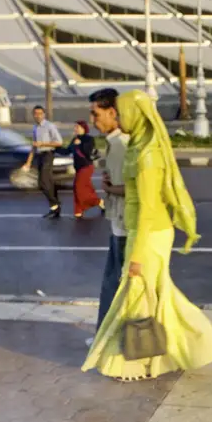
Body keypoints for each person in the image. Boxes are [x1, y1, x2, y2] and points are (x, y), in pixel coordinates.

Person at [82, 89, 212, 381]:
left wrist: (135, 256)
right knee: (155, 297)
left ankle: (147, 357)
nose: (119, 118)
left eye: (122, 113)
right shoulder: (139, 147)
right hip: (143, 230)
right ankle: (182, 349)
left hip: (149, 233)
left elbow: (148, 209)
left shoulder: (148, 156)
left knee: (139, 295)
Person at [85, 89, 128, 346]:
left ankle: (112, 339)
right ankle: (106, 336)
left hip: (126, 226)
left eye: (95, 113)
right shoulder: (114, 143)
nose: (93, 120)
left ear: (112, 112)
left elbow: (139, 189)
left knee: (116, 286)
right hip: (118, 223)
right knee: (111, 284)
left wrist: (111, 189)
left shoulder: (122, 145)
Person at [23, 105, 63, 219]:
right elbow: (34, 146)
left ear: (44, 114)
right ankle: (55, 207)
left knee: (43, 182)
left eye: (40, 113)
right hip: (39, 155)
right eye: (35, 113)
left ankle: (56, 204)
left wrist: (43, 144)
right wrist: (28, 162)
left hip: (48, 154)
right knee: (47, 183)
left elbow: (59, 142)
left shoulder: (49, 126)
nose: (38, 116)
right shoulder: (35, 127)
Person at [58, 120, 103, 219]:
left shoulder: (89, 139)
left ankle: (97, 202)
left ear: (84, 128)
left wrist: (79, 144)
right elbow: (66, 151)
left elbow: (87, 151)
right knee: (86, 189)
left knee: (78, 188)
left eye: (77, 127)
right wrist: (55, 148)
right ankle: (78, 211)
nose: (75, 129)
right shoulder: (75, 139)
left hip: (86, 167)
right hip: (78, 168)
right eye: (75, 127)